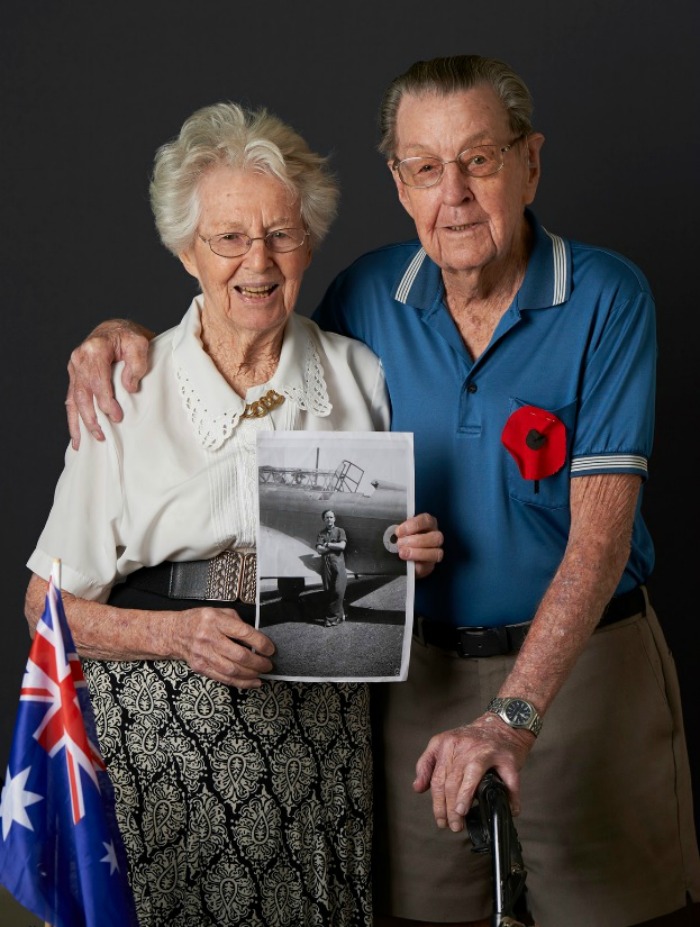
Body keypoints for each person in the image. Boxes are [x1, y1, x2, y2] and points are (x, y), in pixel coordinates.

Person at [60, 55, 700, 927]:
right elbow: (245, 328)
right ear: (399, 184)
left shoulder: (605, 297)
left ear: (530, 164)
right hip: (416, 680)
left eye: (479, 160)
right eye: (426, 168)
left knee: (612, 907)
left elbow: (599, 541)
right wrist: (114, 336)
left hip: (581, 671)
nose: (456, 194)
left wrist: (511, 713)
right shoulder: (366, 302)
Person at [25, 100, 443, 927]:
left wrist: (407, 553)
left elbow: (372, 558)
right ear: (187, 250)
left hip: (319, 742)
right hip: (163, 751)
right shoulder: (125, 389)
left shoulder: (359, 373)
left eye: (282, 235)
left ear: (309, 243)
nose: (258, 260)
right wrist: (175, 635)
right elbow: (42, 607)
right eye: (228, 237)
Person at [315, 509, 348, 627]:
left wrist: (328, 545)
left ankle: (331, 619)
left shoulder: (340, 531)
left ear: (334, 519)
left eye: (331, 517)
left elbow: (342, 546)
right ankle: (340, 615)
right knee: (329, 591)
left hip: (338, 563)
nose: (329, 519)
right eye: (327, 517)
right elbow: (319, 549)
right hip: (326, 565)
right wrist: (334, 546)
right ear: (324, 520)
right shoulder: (321, 533)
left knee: (338, 590)